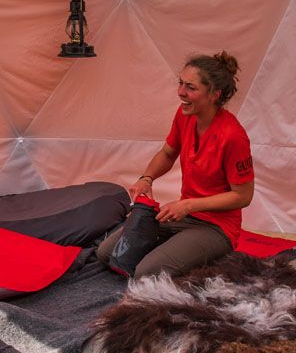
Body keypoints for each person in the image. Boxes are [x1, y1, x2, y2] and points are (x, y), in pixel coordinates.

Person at [97, 51, 255, 278]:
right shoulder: (185, 116)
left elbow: (243, 196)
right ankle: (180, 250)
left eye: (191, 87)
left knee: (146, 272)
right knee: (107, 253)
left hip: (216, 227)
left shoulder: (233, 136)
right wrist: (146, 178)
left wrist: (189, 205)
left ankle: (209, 254)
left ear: (214, 95)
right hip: (183, 217)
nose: (181, 92)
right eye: (181, 83)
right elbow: (168, 153)